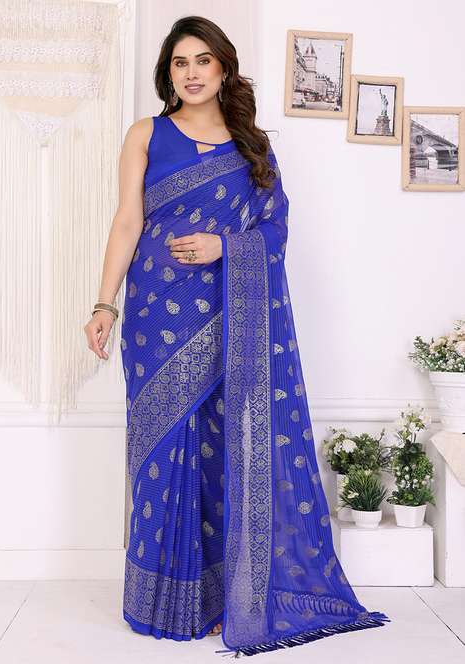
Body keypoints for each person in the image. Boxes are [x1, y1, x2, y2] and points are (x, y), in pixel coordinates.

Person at [83, 15, 390, 658]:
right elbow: (126, 221)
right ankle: (164, 601)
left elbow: (274, 231)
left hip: (231, 318)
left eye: (203, 60)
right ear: (168, 73)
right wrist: (105, 303)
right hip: (155, 319)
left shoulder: (252, 146)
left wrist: (224, 244)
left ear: (224, 68)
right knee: (160, 451)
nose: (191, 72)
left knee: (228, 447)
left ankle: (232, 598)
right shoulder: (146, 134)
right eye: (180, 62)